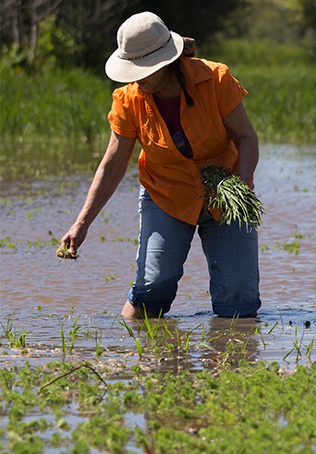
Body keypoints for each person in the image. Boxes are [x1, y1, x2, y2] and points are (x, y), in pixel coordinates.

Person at [60, 12, 261, 318]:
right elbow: (112, 166)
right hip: (166, 196)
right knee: (152, 286)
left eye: (143, 69)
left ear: (167, 62)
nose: (137, 77)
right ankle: (133, 349)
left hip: (226, 195)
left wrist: (241, 187)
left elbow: (246, 138)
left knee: (238, 299)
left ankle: (232, 358)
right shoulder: (128, 100)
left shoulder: (215, 80)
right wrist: (82, 223)